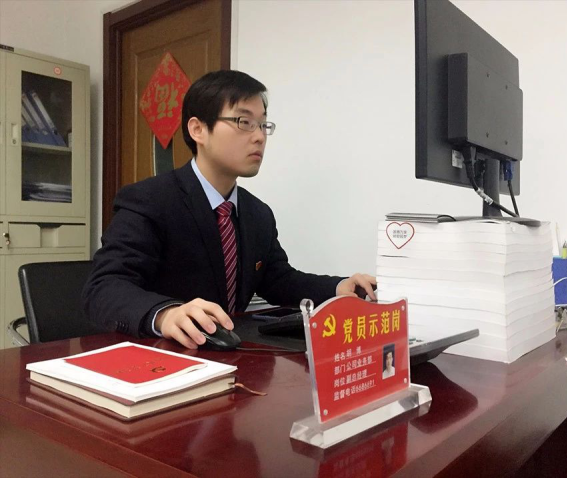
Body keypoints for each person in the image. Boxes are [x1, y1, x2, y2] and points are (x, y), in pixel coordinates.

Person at [83, 70, 376, 349]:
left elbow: (278, 280)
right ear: (198, 129)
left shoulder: (258, 213)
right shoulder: (150, 200)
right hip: (162, 357)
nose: (259, 136)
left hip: (235, 357)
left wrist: (338, 288)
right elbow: (104, 287)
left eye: (263, 125)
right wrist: (165, 314)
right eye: (244, 122)